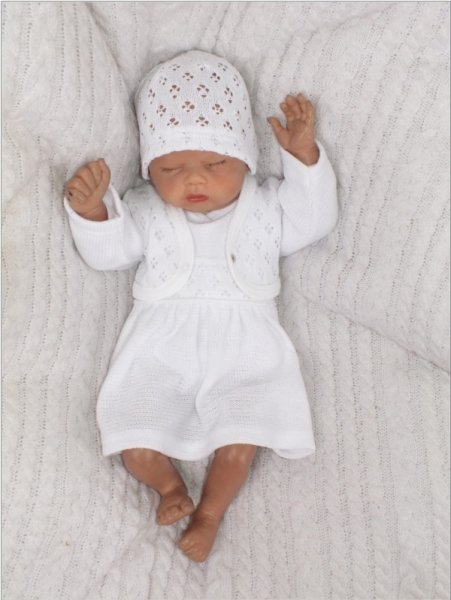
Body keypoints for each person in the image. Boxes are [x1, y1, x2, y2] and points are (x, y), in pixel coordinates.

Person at [64, 50, 338, 562]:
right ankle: (169, 487)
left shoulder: (267, 204)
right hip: (160, 347)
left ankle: (209, 514)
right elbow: (110, 254)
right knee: (134, 436)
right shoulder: (145, 208)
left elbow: (314, 220)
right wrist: (93, 212)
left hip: (246, 347)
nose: (193, 180)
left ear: (245, 160)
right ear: (149, 169)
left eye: (214, 164)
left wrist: (303, 158)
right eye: (171, 167)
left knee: (241, 437)